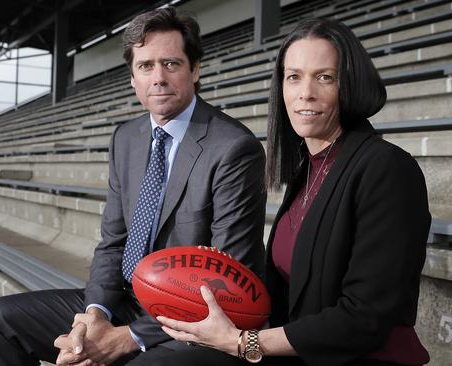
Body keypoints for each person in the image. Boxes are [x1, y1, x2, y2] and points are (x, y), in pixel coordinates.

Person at [0, 7, 267, 366]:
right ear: (132, 79)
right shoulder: (126, 138)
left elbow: (230, 284)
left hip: (192, 320)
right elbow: (113, 244)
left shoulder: (234, 147)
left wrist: (128, 338)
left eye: (171, 64)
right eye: (145, 66)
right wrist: (94, 316)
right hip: (125, 300)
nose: (158, 77)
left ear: (195, 69)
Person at [154, 17, 432, 366]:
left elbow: (364, 317)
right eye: (294, 77)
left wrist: (243, 342)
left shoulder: (387, 168)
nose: (305, 93)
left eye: (324, 77)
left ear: (351, 85)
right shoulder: (309, 167)